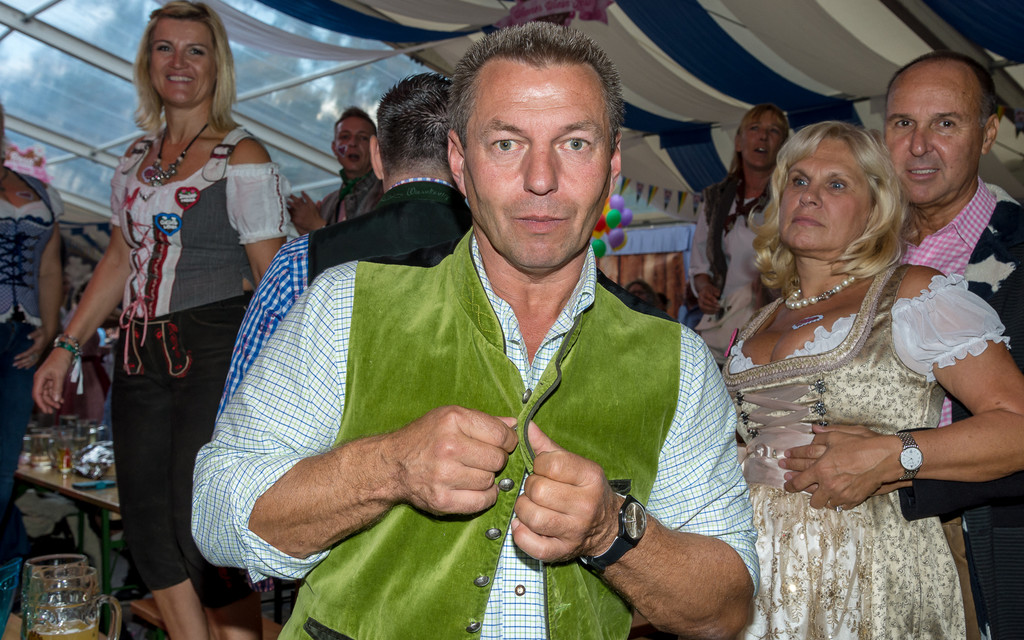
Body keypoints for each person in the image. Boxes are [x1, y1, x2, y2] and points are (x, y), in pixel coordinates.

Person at [194, 22, 756, 640]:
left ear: (612, 165)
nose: (540, 178)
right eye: (507, 143)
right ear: (460, 163)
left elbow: (727, 611)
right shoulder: (346, 304)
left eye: (574, 143)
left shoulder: (677, 360)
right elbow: (217, 514)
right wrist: (387, 467)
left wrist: (611, 530)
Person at [31, 3, 290, 638]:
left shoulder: (242, 155)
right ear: (148, 63)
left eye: (195, 50)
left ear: (217, 65)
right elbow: (120, 257)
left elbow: (274, 278)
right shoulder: (134, 159)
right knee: (147, 529)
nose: (179, 62)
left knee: (201, 527)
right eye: (165, 48)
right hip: (138, 355)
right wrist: (66, 346)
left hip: (214, 349)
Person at [724, 119, 1024, 638]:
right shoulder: (759, 320)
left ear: (875, 209)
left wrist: (894, 454)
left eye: (837, 184)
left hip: (870, 568)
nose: (809, 196)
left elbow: (1016, 425)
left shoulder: (913, 294)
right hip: (753, 569)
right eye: (799, 180)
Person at [216, 71, 472, 414]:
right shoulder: (510, 254)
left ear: (376, 156)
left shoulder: (299, 260)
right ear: (462, 156)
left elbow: (243, 407)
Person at [882, 51, 1024, 639]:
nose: (919, 146)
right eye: (903, 123)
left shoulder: (1017, 253)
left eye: (945, 123)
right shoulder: (855, 252)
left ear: (988, 134)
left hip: (986, 536)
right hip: (863, 539)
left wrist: (891, 460)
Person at [0, 102, 63, 562]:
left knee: (5, 464)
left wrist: (50, 328)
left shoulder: (38, 190)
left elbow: (49, 268)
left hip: (23, 338)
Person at [692, 104, 789, 362]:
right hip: (722, 323)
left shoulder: (790, 197)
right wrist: (704, 290)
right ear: (738, 142)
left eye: (774, 131)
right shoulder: (716, 198)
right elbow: (699, 266)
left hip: (773, 321)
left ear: (783, 146)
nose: (763, 136)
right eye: (754, 128)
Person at [287, 106, 383, 234]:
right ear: (334, 148)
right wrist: (305, 230)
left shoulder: (386, 194)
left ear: (375, 148)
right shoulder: (329, 202)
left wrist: (318, 227)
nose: (353, 143)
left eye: (363, 137)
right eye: (345, 136)